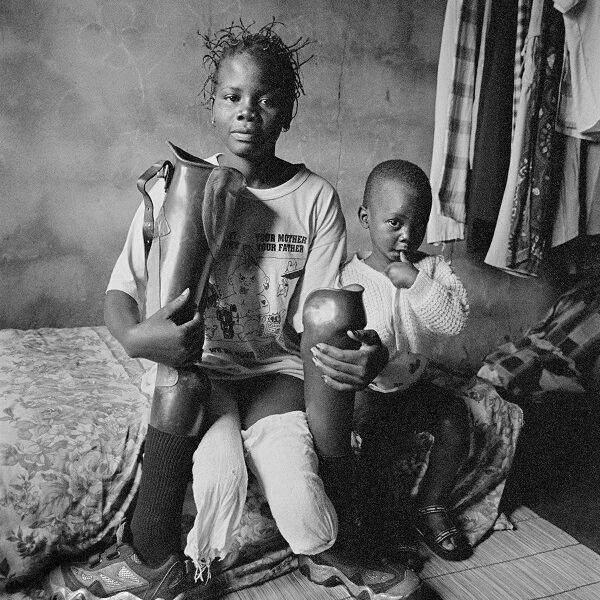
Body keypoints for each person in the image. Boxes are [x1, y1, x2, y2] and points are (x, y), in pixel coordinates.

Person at [46, 21, 422, 600]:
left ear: (288, 113)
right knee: (206, 449)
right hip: (197, 374)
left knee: (303, 508)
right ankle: (151, 561)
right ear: (214, 108)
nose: (249, 112)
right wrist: (136, 340)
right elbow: (120, 294)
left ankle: (340, 547)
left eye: (267, 99)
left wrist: (365, 354)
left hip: (277, 377)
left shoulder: (314, 197)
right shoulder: (175, 186)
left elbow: (314, 321)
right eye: (234, 98)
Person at [337, 159, 472, 562]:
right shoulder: (349, 276)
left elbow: (454, 321)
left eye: (418, 224)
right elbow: (337, 336)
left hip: (415, 381)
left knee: (455, 420)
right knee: (379, 444)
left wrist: (416, 282)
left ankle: (432, 505)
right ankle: (383, 524)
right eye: (394, 223)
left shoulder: (432, 267)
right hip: (373, 390)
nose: (407, 235)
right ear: (366, 217)